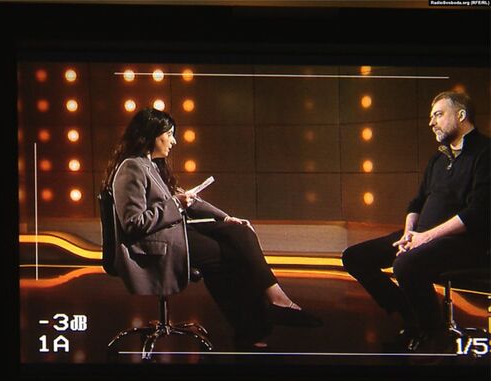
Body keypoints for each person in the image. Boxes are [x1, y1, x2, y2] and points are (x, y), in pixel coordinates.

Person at [103, 108, 321, 348]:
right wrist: (176, 204)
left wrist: (225, 218)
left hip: (172, 233)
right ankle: (256, 324)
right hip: (151, 245)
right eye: (170, 134)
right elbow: (133, 224)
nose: (174, 142)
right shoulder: (131, 168)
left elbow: (191, 202)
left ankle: (275, 301)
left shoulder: (152, 166)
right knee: (228, 257)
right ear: (151, 134)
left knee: (239, 232)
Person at [342, 91, 490, 353]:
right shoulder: (438, 158)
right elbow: (417, 203)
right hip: (421, 235)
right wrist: (409, 234)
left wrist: (425, 238)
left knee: (406, 264)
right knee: (355, 257)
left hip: (465, 242)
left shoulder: (485, 153)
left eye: (438, 115)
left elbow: (477, 213)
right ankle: (411, 316)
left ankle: (433, 335)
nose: (431, 123)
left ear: (461, 115)